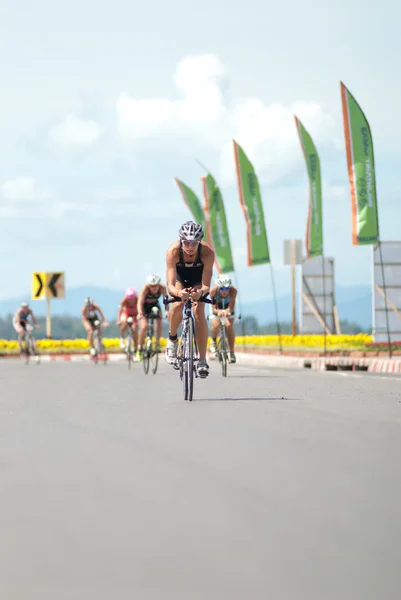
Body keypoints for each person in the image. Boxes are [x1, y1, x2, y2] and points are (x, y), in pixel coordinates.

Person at [165, 220, 214, 378]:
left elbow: (206, 285)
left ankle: (202, 360)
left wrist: (200, 292)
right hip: (180, 278)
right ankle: (172, 340)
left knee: (199, 311)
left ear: (199, 242)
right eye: (186, 243)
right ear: (181, 241)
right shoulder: (173, 251)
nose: (190, 247)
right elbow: (170, 286)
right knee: (178, 305)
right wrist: (180, 294)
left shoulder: (207, 253)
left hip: (197, 279)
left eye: (194, 243)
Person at [137, 273, 167, 360]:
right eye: (151, 286)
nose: (153, 288)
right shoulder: (145, 289)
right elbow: (140, 302)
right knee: (144, 327)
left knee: (159, 322)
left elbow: (166, 301)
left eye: (155, 286)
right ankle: (139, 349)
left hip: (155, 305)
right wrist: (140, 314)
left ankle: (157, 343)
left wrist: (167, 311)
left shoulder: (162, 288)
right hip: (145, 307)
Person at [209, 275, 238, 363]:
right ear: (218, 287)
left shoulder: (233, 291)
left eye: (226, 288)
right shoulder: (213, 291)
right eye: (222, 289)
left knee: (229, 325)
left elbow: (231, 306)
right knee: (216, 324)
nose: (224, 291)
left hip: (227, 308)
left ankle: (232, 352)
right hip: (217, 307)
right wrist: (218, 312)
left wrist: (228, 311)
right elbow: (213, 309)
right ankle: (213, 341)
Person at [117, 288, 138, 355]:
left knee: (134, 330)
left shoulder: (138, 300)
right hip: (126, 314)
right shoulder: (124, 301)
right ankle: (122, 338)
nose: (130, 300)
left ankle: (135, 347)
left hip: (135, 315)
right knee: (124, 324)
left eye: (132, 299)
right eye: (129, 299)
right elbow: (120, 311)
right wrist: (119, 320)